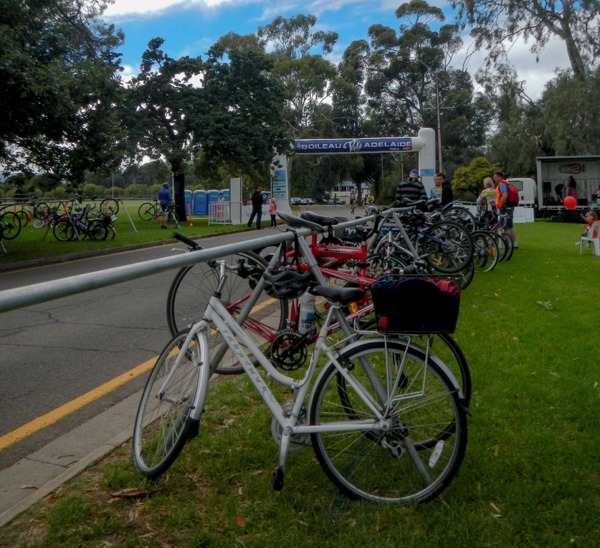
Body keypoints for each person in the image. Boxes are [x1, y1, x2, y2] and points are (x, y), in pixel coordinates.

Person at [494, 171, 518, 248]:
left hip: (505, 207)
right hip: (510, 206)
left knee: (505, 226)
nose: (494, 178)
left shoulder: (502, 185)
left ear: (500, 177)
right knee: (510, 226)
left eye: (495, 177)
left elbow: (504, 196)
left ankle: (508, 244)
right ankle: (514, 243)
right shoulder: (507, 184)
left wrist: (501, 205)